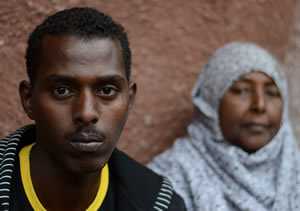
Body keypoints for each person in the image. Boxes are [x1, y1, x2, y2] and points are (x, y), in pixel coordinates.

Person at [0, 7, 186, 211]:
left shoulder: (156, 204)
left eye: (107, 90)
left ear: (129, 99)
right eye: (62, 90)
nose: (87, 113)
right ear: (28, 99)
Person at [148, 42, 300, 211]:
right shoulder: (169, 178)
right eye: (242, 90)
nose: (260, 105)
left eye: (272, 93)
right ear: (211, 102)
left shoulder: (295, 172)